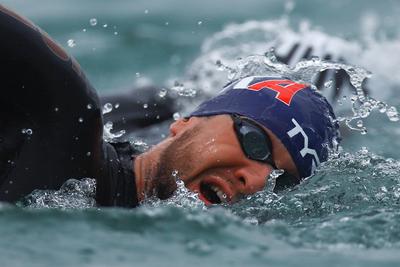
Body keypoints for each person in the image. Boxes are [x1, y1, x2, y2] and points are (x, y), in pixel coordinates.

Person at [0, 5, 340, 207]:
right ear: (186, 123)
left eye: (282, 181)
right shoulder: (63, 118)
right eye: (255, 141)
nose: (257, 180)